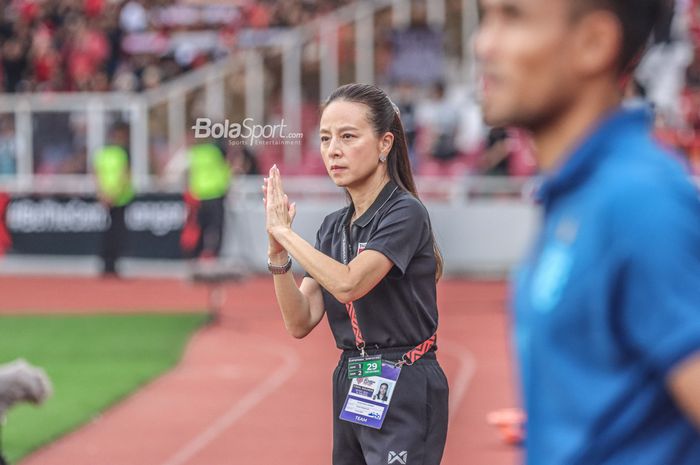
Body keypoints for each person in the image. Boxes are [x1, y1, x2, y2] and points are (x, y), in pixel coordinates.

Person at [476, 0, 700, 463]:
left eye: (512, 17)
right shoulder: (581, 193)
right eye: (486, 18)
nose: (483, 44)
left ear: (594, 43)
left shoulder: (639, 203)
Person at [263, 83, 449, 465]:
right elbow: (299, 321)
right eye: (326, 138)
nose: (333, 150)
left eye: (348, 137)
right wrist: (277, 252)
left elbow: (349, 283)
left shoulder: (404, 213)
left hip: (404, 375)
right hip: (353, 376)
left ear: (385, 144)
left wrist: (285, 232)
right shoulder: (333, 227)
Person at [93, 121, 134, 276]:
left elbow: (98, 175)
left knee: (113, 232)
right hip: (114, 198)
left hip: (115, 198)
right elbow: (122, 175)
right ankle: (108, 262)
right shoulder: (119, 154)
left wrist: (104, 195)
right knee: (112, 232)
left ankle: (111, 263)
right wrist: (108, 195)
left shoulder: (103, 154)